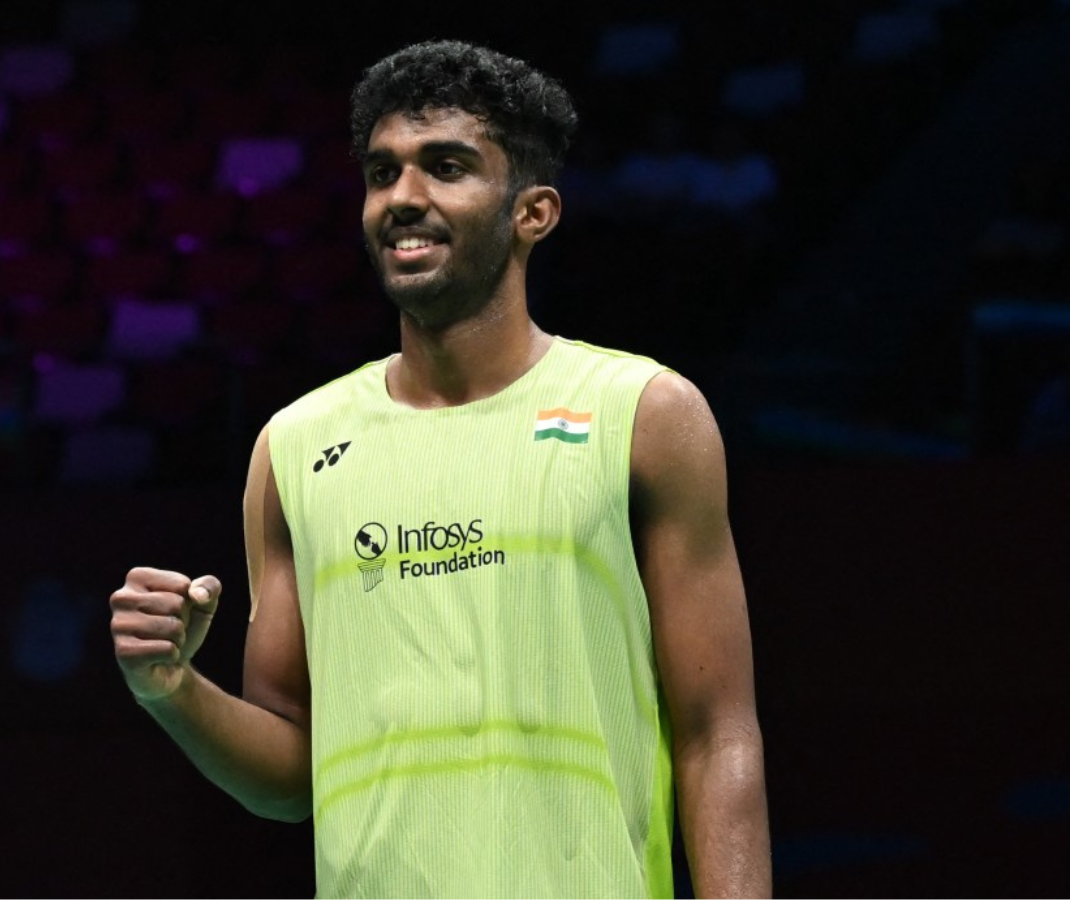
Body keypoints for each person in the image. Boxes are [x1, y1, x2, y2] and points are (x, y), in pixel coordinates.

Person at [109, 39, 771, 899]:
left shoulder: (644, 414)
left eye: (446, 167)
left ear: (533, 213)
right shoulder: (295, 447)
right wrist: (171, 689)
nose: (403, 198)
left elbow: (717, 736)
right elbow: (288, 778)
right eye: (382, 174)